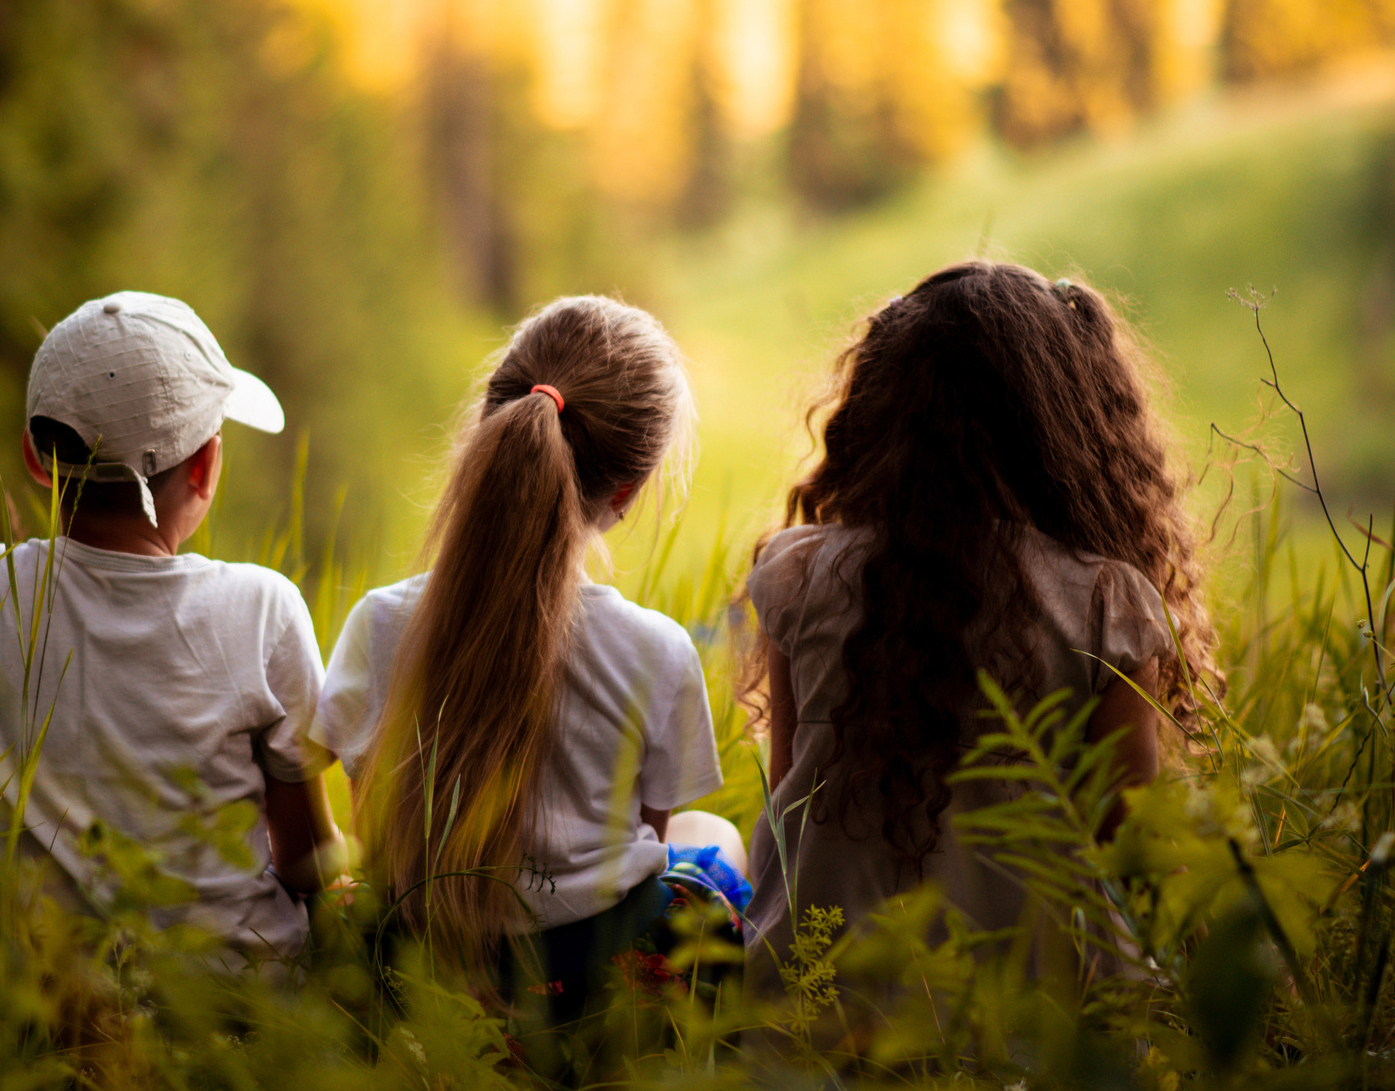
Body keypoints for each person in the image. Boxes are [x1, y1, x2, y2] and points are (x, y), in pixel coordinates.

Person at [739, 261, 1217, 995]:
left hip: (814, 1028)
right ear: (1068, 429)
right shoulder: (1103, 601)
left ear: (877, 412)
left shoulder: (797, 575)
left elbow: (787, 817)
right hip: (1036, 1048)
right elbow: (1139, 849)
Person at [0, 291, 341, 966]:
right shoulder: (263, 607)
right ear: (205, 466)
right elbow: (306, 863)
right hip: (238, 1009)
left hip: (39, 1004)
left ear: (37, 458)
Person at [305, 296, 727, 1025]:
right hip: (593, 986)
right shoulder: (658, 649)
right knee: (714, 845)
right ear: (625, 493)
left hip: (420, 973)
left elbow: (374, 826)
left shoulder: (381, 622)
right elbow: (644, 843)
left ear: (488, 433)